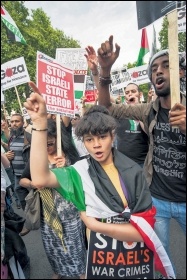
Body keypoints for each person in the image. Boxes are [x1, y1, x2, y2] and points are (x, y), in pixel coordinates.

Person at [23, 82, 175, 279]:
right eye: (89, 140)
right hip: (100, 263)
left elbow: (143, 232)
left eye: (102, 137)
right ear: (83, 142)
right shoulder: (79, 172)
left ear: (112, 136)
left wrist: (96, 226)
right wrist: (40, 122)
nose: (96, 145)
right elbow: (40, 177)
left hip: (133, 261)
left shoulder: (133, 172)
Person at [96, 35, 186, 275]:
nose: (159, 72)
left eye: (167, 66)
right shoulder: (148, 110)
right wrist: (105, 71)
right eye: (154, 68)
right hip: (158, 199)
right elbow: (108, 107)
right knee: (160, 258)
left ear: (182, 73)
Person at [19, 118, 86, 279]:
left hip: (70, 213)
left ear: (57, 139)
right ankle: (58, 271)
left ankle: (82, 273)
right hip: (47, 214)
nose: (47, 147)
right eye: (43, 144)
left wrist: (68, 168)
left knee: (75, 248)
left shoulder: (68, 155)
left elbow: (82, 179)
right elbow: (22, 180)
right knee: (52, 247)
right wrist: (34, 183)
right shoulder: (37, 159)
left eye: (50, 143)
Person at [85, 46, 149, 167]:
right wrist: (95, 71)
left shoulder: (147, 110)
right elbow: (102, 91)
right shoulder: (120, 110)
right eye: (127, 92)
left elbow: (148, 131)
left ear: (140, 94)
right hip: (122, 163)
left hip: (142, 164)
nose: (130, 94)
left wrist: (139, 111)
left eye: (133, 92)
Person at [5, 113, 31, 236]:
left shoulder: (29, 137)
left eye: (17, 121)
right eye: (12, 121)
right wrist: (8, 156)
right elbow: (12, 153)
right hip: (17, 175)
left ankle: (42, 222)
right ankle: (30, 222)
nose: (14, 124)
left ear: (22, 122)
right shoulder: (12, 137)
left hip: (29, 175)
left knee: (39, 199)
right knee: (22, 199)